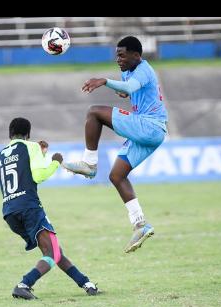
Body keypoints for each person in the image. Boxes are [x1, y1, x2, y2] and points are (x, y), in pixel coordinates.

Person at [62, 36, 168, 254]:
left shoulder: (144, 70)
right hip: (151, 131)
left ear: (136, 55)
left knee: (94, 112)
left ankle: (89, 164)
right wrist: (124, 91)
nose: (117, 59)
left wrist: (105, 81)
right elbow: (131, 88)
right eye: (116, 55)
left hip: (149, 126)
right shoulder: (130, 70)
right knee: (116, 176)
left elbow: (131, 85)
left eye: (122, 55)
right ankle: (140, 224)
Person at [0, 117, 100, 300]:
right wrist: (55, 161)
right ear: (28, 134)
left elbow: (23, 174)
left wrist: (41, 154)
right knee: (51, 253)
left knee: (53, 251)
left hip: (10, 212)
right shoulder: (31, 147)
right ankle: (23, 285)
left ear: (10, 134)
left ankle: (86, 283)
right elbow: (38, 176)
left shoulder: (2, 153)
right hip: (29, 208)